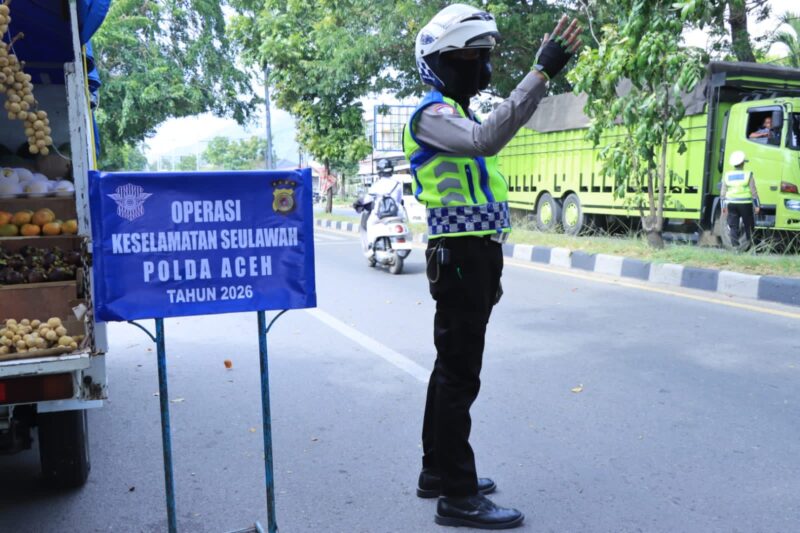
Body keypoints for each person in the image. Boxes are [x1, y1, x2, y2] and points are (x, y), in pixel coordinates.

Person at [403, 4, 581, 529]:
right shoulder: (431, 115)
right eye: (472, 59)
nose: (483, 68)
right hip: (459, 257)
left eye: (485, 57)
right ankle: (457, 496)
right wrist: (540, 72)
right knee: (459, 376)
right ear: (440, 63)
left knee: (450, 370)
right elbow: (488, 139)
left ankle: (436, 471)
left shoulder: (455, 115)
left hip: (473, 256)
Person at [721, 150, 760, 248]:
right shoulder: (748, 174)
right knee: (748, 226)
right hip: (745, 204)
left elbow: (723, 193)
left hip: (731, 204)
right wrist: (757, 205)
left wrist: (723, 207)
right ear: (742, 163)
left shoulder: (727, 175)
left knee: (733, 226)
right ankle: (751, 246)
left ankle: (735, 247)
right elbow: (753, 191)